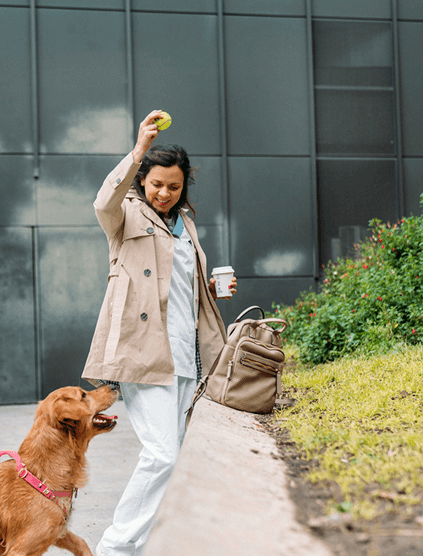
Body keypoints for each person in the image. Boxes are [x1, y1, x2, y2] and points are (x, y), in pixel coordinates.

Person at [82, 110, 237, 556]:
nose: (165, 193)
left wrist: (206, 288)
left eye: (174, 185)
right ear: (142, 182)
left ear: (184, 185)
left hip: (187, 355)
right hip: (142, 354)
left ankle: (153, 543)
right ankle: (115, 546)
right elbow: (102, 202)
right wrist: (137, 151)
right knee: (161, 455)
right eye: (156, 184)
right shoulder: (124, 216)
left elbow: (176, 282)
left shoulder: (185, 224)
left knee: (178, 456)